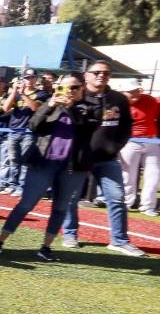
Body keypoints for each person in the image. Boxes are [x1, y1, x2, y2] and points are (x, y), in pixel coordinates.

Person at [0, 73, 101, 261]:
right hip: (44, 163)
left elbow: (88, 129)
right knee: (26, 204)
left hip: (73, 166)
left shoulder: (92, 107)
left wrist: (69, 108)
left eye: (74, 88)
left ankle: (46, 247)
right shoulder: (52, 104)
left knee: (60, 208)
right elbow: (34, 125)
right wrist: (50, 105)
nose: (69, 92)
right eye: (64, 87)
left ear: (82, 88)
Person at [59, 61, 145, 256]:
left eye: (106, 73)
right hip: (79, 158)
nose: (101, 75)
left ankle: (119, 240)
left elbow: (126, 127)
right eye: (96, 72)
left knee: (117, 198)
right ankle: (70, 234)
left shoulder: (118, 99)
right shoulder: (75, 95)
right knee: (72, 198)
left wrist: (116, 146)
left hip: (107, 158)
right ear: (86, 75)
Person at [1, 69, 49, 197]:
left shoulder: (41, 94)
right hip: (14, 130)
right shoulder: (17, 93)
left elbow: (35, 108)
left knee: (25, 160)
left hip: (29, 131)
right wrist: (14, 92)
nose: (29, 80)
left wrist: (23, 95)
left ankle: (22, 186)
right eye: (27, 78)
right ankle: (12, 184)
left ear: (35, 79)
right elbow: (5, 108)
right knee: (13, 160)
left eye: (32, 77)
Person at [116, 78, 159, 216]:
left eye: (136, 91)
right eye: (131, 92)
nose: (135, 94)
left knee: (153, 175)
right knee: (128, 174)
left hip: (152, 141)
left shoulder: (151, 100)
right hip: (130, 142)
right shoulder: (118, 104)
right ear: (123, 92)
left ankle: (148, 206)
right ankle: (127, 203)